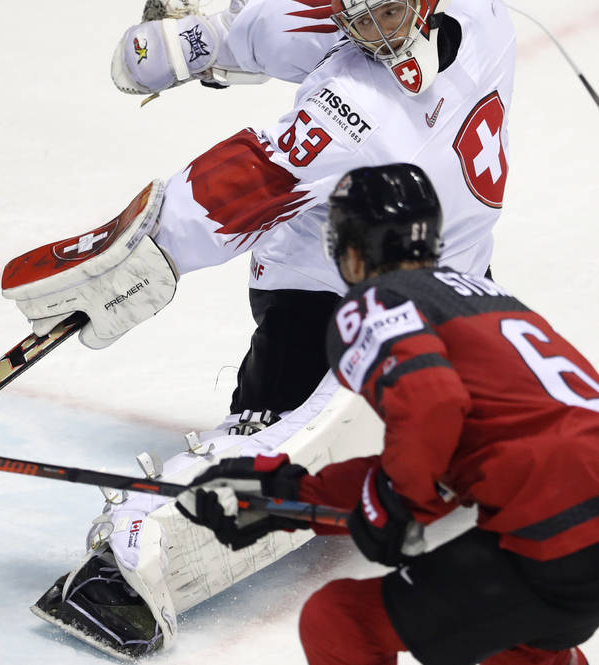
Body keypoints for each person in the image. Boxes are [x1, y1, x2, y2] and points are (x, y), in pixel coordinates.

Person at [2, 0, 517, 657]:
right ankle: (127, 562)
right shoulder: (453, 21)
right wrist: (143, 252)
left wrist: (205, 40)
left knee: (469, 431)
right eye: (359, 19)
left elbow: (299, 21)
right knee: (287, 432)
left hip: (445, 283)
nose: (374, 32)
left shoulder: (465, 8)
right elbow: (243, 181)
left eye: (390, 12)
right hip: (330, 285)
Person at [176, 163, 599, 665]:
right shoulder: (495, 301)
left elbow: (431, 404)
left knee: (341, 620)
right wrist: (286, 498)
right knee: (517, 636)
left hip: (557, 526)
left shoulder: (378, 303)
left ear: (350, 248)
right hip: (567, 534)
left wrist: (391, 504)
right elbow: (437, 463)